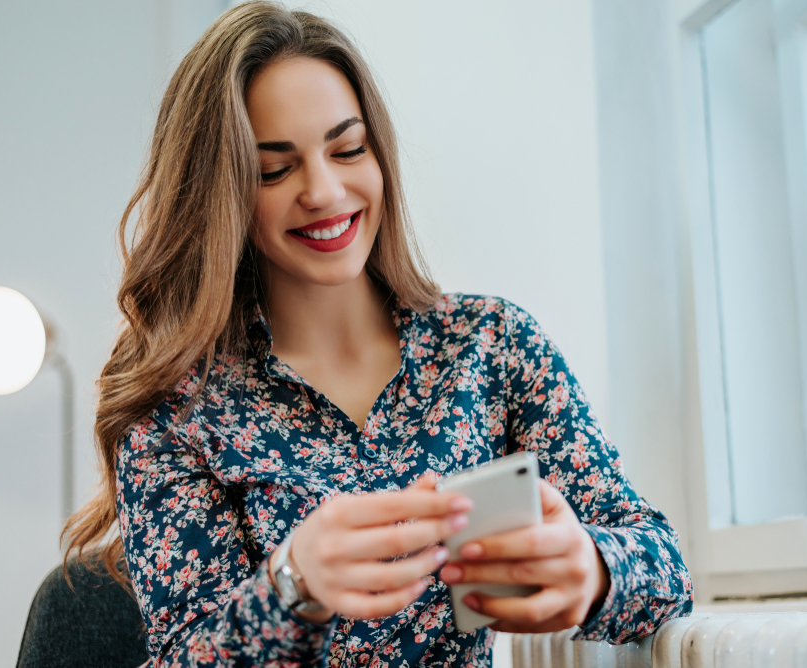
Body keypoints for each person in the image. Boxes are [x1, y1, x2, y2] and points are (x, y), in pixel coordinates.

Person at [62, 3, 693, 666]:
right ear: (222, 193)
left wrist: (591, 569)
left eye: (348, 149)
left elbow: (665, 567)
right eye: (275, 169)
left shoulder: (489, 344)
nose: (326, 192)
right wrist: (292, 586)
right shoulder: (177, 407)